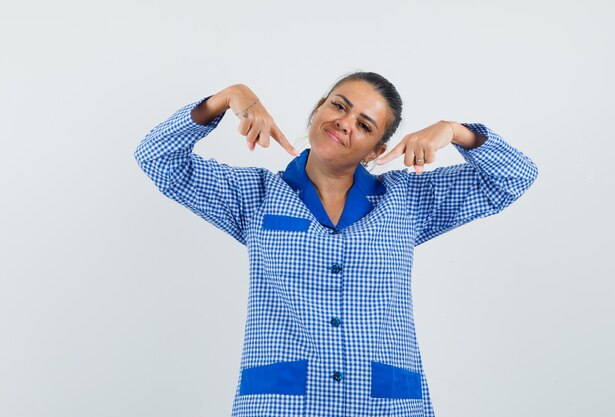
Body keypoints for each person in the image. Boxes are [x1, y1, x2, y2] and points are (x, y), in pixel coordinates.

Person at [134, 71, 538, 417]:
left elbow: (514, 177)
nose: (346, 123)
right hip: (283, 403)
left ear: (377, 150)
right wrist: (225, 98)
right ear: (319, 107)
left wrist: (455, 131)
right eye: (340, 106)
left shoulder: (407, 201)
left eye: (365, 125)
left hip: (385, 403)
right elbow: (156, 157)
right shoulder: (254, 195)